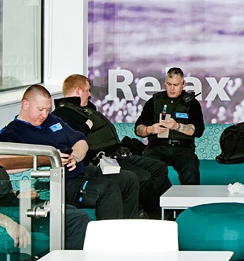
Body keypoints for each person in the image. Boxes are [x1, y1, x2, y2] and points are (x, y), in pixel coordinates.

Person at [0, 84, 139, 220]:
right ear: (25, 105)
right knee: (108, 189)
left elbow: (80, 140)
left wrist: (75, 156)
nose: (44, 115)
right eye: (41, 109)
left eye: (48, 110)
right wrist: (49, 158)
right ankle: (106, 241)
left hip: (79, 170)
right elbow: (4, 161)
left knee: (128, 179)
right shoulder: (12, 132)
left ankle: (125, 233)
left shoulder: (51, 120)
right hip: (59, 183)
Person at [53, 74, 172, 219]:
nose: (90, 95)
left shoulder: (85, 109)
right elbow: (71, 139)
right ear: (78, 91)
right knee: (143, 177)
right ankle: (147, 214)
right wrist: (85, 127)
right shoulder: (63, 114)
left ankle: (161, 213)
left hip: (117, 154)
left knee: (159, 168)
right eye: (88, 90)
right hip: (101, 161)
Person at [135, 67, 205, 185]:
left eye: (176, 85)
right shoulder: (154, 101)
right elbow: (138, 129)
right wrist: (150, 129)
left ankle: (190, 203)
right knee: (146, 170)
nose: (172, 88)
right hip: (157, 147)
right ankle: (151, 203)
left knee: (190, 169)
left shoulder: (191, 103)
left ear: (183, 84)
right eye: (169, 84)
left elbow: (198, 130)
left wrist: (177, 126)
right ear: (165, 83)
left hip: (182, 148)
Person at [0, 165, 89, 250]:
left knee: (69, 210)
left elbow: (4, 190)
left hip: (13, 202)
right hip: (7, 212)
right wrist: (9, 224)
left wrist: (18, 193)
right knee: (77, 218)